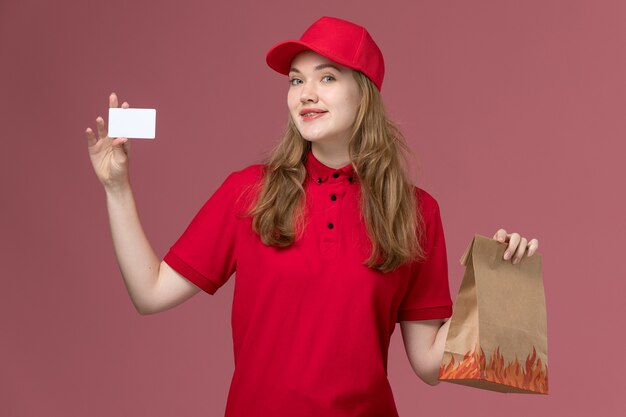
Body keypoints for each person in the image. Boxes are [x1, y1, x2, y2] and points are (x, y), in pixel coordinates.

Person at [85, 16, 539, 417]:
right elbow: (150, 292)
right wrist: (116, 187)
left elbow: (428, 364)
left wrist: (495, 286)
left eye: (326, 78)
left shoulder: (416, 210)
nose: (306, 94)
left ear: (364, 93)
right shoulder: (249, 192)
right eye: (296, 81)